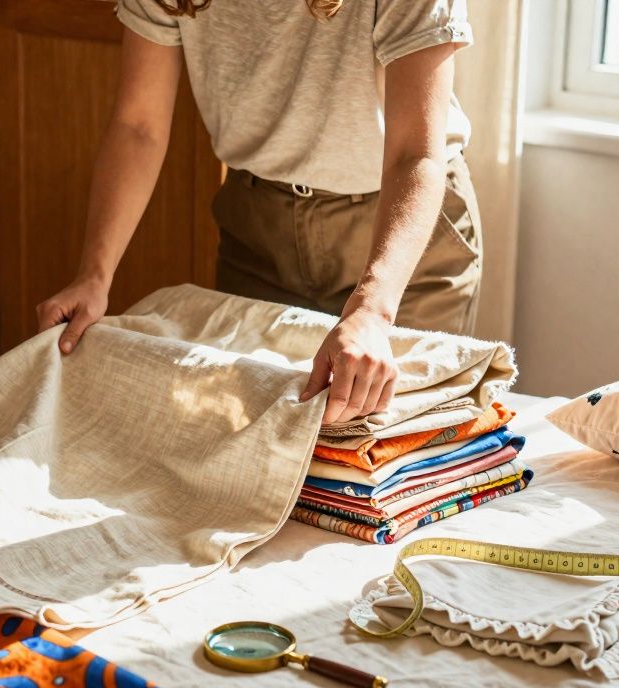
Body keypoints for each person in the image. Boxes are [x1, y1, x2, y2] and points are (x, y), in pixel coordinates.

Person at [35, 0, 482, 425]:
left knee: (387, 454)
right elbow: (139, 126)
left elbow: (414, 155)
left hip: (399, 233)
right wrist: (94, 274)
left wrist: (372, 312)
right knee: (246, 436)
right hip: (258, 230)